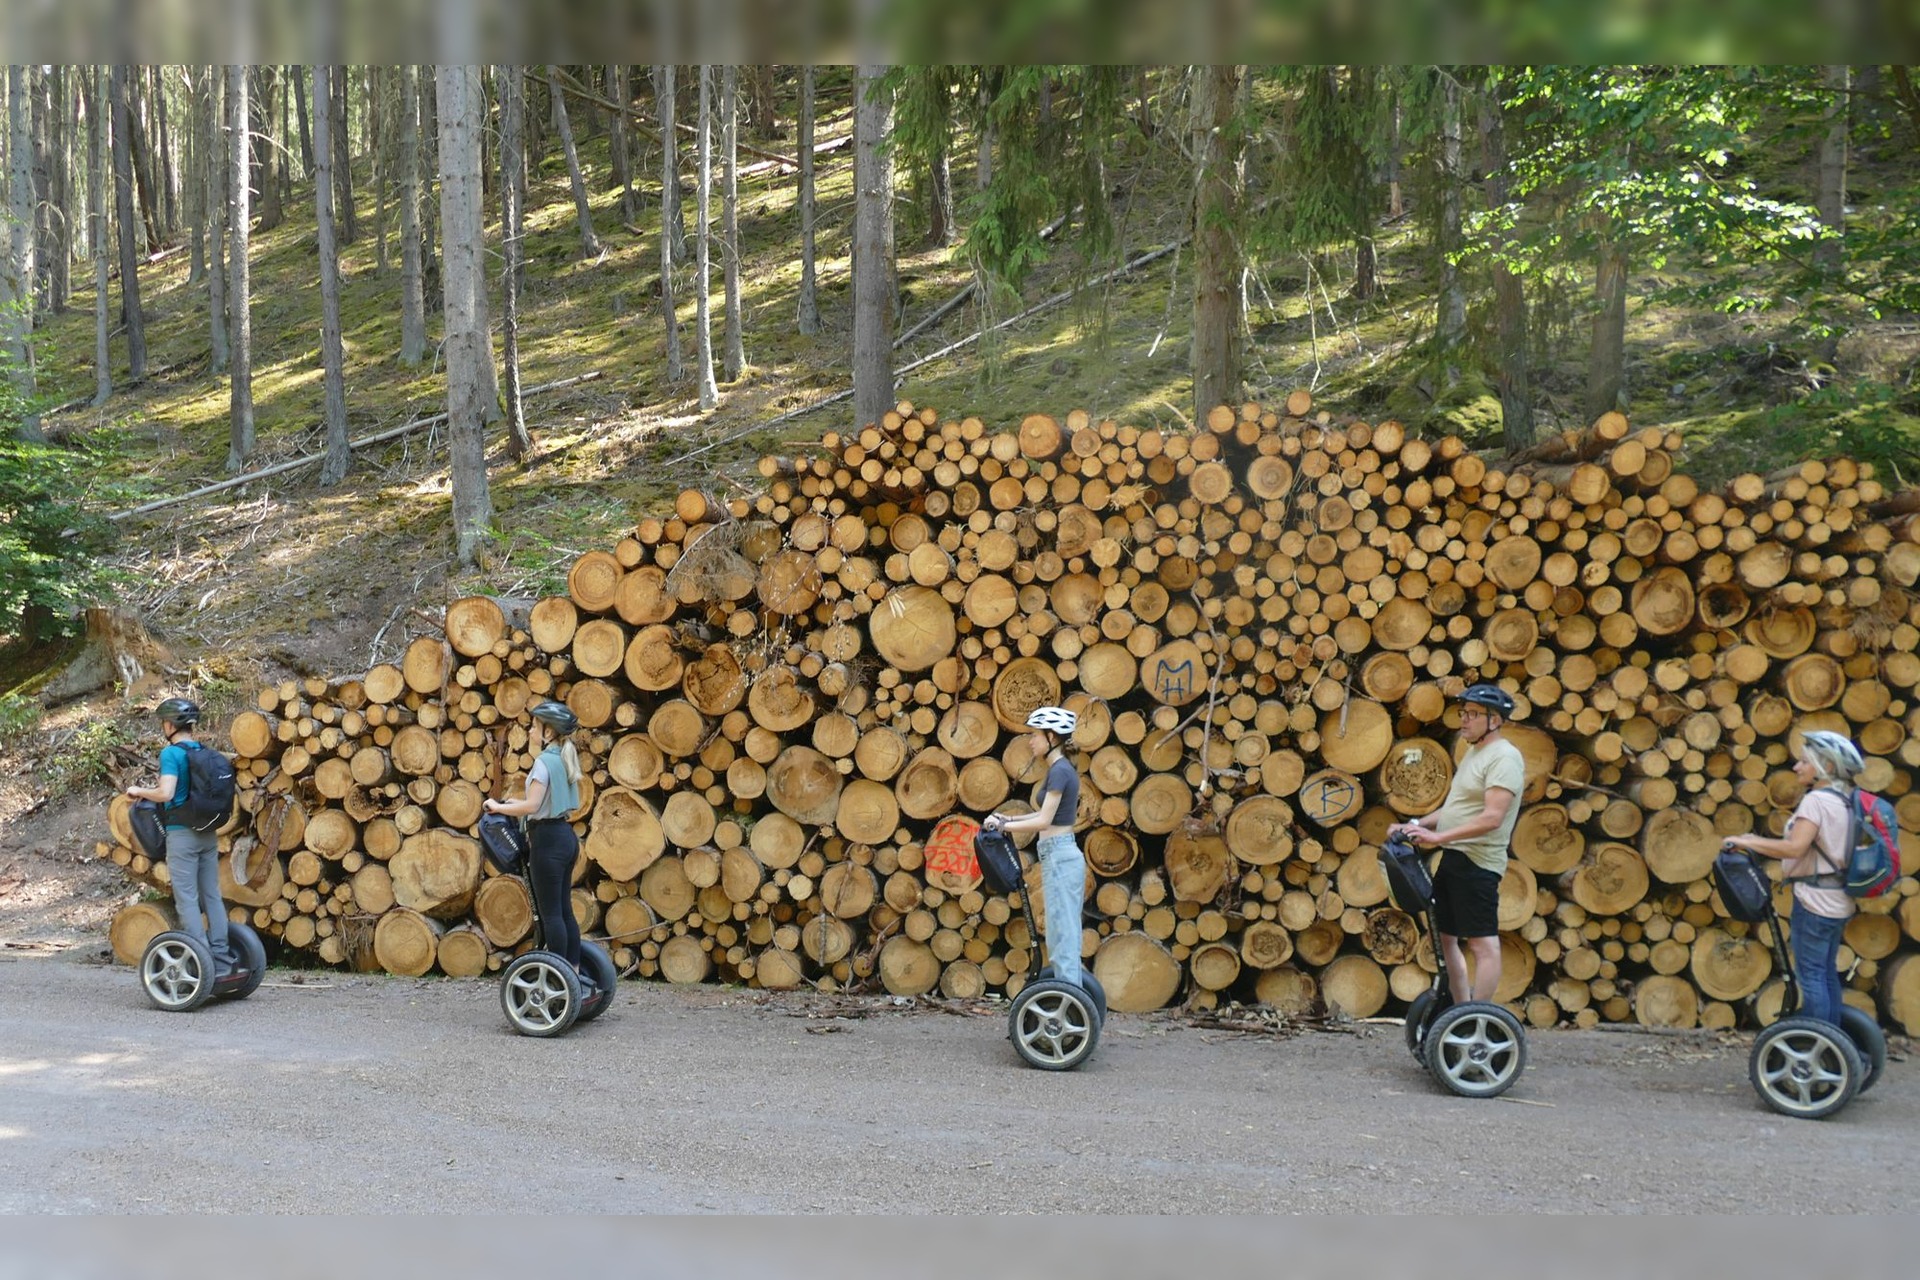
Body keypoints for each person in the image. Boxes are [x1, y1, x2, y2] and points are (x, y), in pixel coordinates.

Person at [1387, 683, 1525, 1004]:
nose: (1464, 719)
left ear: (1495, 720)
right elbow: (1456, 810)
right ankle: (1460, 1009)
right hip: (1455, 859)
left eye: (1473, 714)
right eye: (1464, 713)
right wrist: (1416, 825)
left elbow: (1492, 817)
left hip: (1478, 864)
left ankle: (1480, 1013)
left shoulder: (1504, 758)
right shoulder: (1476, 753)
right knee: (1446, 939)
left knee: (1482, 945)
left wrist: (1437, 838)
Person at [1723, 729, 1861, 1026]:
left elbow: (1795, 847)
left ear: (1827, 766)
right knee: (1825, 973)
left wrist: (1748, 841)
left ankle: (1818, 1047)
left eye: (1804, 762)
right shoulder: (1845, 800)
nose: (1797, 767)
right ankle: (1832, 1041)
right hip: (1838, 900)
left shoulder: (1817, 801)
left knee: (1810, 975)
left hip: (1815, 902)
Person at [483, 701, 587, 984]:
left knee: (551, 915)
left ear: (548, 732)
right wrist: (515, 803)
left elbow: (533, 806)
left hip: (548, 844)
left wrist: (499, 806)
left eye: (534, 726)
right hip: (565, 838)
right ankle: (573, 976)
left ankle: (557, 982)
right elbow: (544, 802)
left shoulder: (543, 761)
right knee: (565, 911)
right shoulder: (564, 758)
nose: (529, 731)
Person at [984, 707, 1086, 988]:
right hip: (1057, 855)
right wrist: (1007, 819)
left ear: (1051, 736)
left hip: (1061, 857)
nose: (1030, 741)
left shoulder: (1061, 771)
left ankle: (1071, 1010)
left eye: (1034, 735)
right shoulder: (1059, 769)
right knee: (1058, 934)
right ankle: (1072, 1000)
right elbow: (1042, 815)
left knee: (1063, 938)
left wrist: (1003, 827)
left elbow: (1043, 820)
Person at [125, 697, 231, 967]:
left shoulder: (171, 753)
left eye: (164, 722)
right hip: (207, 833)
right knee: (211, 894)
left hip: (181, 834)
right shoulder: (203, 751)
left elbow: (166, 793)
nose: (163, 726)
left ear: (170, 724)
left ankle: (201, 959)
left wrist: (139, 791)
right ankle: (220, 952)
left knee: (186, 899)